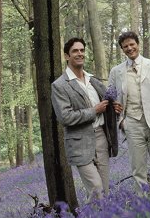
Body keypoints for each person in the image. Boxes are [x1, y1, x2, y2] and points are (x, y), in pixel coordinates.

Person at [51, 37, 121, 202]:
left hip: (101, 138)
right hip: (80, 143)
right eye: (75, 51)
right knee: (96, 189)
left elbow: (106, 105)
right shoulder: (60, 85)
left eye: (82, 50)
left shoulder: (93, 80)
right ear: (67, 56)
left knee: (104, 190)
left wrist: (114, 108)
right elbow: (65, 117)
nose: (80, 53)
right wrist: (94, 111)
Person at [108, 31, 150, 193]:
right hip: (132, 124)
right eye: (125, 47)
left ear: (138, 44)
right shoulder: (116, 71)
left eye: (132, 44)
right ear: (122, 50)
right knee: (138, 171)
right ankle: (143, 210)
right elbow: (109, 97)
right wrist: (119, 117)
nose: (130, 48)